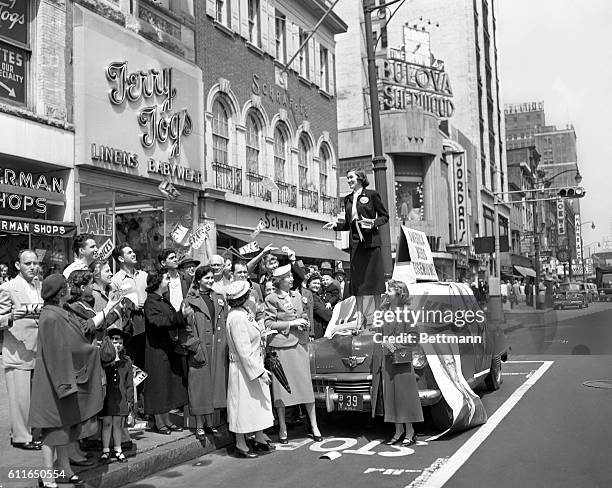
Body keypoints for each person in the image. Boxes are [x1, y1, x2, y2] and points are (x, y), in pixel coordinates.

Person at [30, 274, 104, 487]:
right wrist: (64, 384)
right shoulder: (51, 316)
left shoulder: (60, 312)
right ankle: (47, 474)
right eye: (66, 286)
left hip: (64, 379)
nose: (70, 288)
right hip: (56, 382)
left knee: (65, 428)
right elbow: (56, 353)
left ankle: (64, 468)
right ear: (61, 292)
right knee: (52, 431)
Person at [264, 265, 322, 444]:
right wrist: (291, 324)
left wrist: (303, 322)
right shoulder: (271, 298)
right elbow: (268, 324)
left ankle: (314, 426)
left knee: (306, 387)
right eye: (287, 277)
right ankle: (282, 427)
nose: (291, 279)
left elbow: (303, 314)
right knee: (282, 390)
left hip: (300, 345)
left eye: (290, 276)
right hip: (281, 347)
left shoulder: (298, 295)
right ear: (279, 281)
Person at [225, 280, 275, 458]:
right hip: (243, 369)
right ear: (244, 297)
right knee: (243, 407)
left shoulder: (243, 313)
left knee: (256, 404)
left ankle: (259, 437)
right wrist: (259, 372)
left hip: (252, 364)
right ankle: (240, 443)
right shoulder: (237, 318)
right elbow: (243, 350)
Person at [323, 169, 389, 301]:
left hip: (371, 242)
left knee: (374, 279)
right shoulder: (348, 199)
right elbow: (348, 224)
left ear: (360, 178)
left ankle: (377, 314)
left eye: (351, 177)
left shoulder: (372, 195)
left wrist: (373, 222)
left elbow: (384, 217)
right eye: (347, 178)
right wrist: (336, 225)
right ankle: (360, 317)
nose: (349, 180)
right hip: (355, 242)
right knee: (358, 280)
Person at [371, 280, 423, 446]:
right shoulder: (384, 311)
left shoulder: (407, 312)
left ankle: (410, 430)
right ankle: (398, 429)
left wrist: (394, 344)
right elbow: (376, 329)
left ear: (400, 294)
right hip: (387, 358)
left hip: (401, 358)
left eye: (390, 291)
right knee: (391, 395)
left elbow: (414, 337)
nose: (387, 293)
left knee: (404, 396)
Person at [0, 250, 42, 451]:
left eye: (35, 263)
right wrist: (11, 317)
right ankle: (20, 437)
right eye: (28, 263)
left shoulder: (37, 286)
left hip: (36, 349)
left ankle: (28, 432)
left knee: (31, 398)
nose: (33, 267)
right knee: (20, 398)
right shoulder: (7, 288)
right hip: (17, 350)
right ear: (18, 265)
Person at [181, 265, 228, 438]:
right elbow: (185, 329)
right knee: (199, 388)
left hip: (217, 348)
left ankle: (211, 423)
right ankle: (199, 425)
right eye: (206, 278)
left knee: (214, 387)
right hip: (199, 349)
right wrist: (195, 347)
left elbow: (226, 322)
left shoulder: (220, 298)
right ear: (198, 280)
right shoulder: (189, 301)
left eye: (211, 278)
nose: (210, 281)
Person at [143, 271, 188, 434]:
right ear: (157, 283)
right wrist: (179, 317)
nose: (168, 281)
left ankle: (166, 419)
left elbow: (170, 317)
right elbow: (157, 321)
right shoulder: (150, 302)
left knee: (167, 384)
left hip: (167, 346)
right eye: (166, 279)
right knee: (158, 385)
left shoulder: (162, 299)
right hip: (157, 349)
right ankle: (159, 421)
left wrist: (181, 315)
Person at [100, 326, 134, 464]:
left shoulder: (126, 361)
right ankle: (105, 450)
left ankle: (118, 449)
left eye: (120, 342)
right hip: (107, 397)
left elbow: (129, 383)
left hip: (120, 397)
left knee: (118, 424)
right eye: (114, 341)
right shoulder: (104, 360)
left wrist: (129, 400)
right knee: (106, 423)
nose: (117, 344)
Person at [111, 244, 148, 369]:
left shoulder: (144, 276)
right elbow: (113, 305)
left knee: (146, 362)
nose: (134, 254)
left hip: (147, 324)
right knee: (131, 362)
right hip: (129, 327)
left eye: (133, 251)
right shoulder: (115, 280)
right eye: (129, 252)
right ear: (121, 259)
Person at [65, 269, 122, 343]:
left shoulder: (82, 304)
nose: (93, 286)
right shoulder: (76, 307)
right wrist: (110, 309)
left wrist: (115, 310)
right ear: (83, 288)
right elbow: (94, 326)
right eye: (91, 283)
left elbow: (100, 324)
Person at [302, 273, 332, 339]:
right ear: (309, 284)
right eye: (314, 283)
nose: (317, 285)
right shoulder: (311, 296)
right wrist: (335, 317)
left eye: (318, 284)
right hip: (315, 330)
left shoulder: (316, 295)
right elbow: (324, 312)